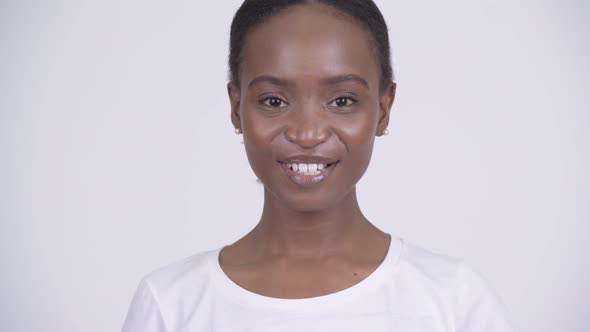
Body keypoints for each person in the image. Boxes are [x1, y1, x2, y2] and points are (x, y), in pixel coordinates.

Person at [122, 1, 516, 331]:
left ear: (383, 109)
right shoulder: (171, 305)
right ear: (235, 107)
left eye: (342, 100)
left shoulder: (455, 302)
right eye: (274, 101)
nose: (307, 133)